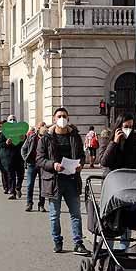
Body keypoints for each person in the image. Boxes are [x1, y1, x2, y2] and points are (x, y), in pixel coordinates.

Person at [35, 107, 89, 255]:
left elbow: (81, 155)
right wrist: (53, 165)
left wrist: (81, 164)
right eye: (59, 116)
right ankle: (57, 241)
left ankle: (78, 243)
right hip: (54, 181)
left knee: (76, 214)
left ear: (68, 118)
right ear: (54, 119)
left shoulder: (75, 136)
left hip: (72, 179)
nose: (62, 118)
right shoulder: (46, 138)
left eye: (64, 116)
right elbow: (39, 159)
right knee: (54, 214)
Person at [21, 123, 47, 212]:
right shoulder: (32, 137)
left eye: (44, 126)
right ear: (38, 128)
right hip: (32, 164)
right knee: (29, 185)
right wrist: (26, 158)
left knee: (42, 186)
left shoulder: (47, 138)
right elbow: (23, 148)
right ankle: (29, 203)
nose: (43, 128)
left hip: (43, 165)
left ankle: (41, 204)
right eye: (41, 127)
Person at [0, 115, 24, 198]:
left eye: (14, 119)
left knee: (21, 175)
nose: (13, 121)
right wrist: (6, 143)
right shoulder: (3, 133)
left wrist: (23, 139)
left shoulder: (20, 131)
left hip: (19, 157)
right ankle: (12, 192)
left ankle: (18, 187)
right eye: (11, 120)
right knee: (11, 176)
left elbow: (25, 143)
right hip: (9, 158)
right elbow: (0, 144)